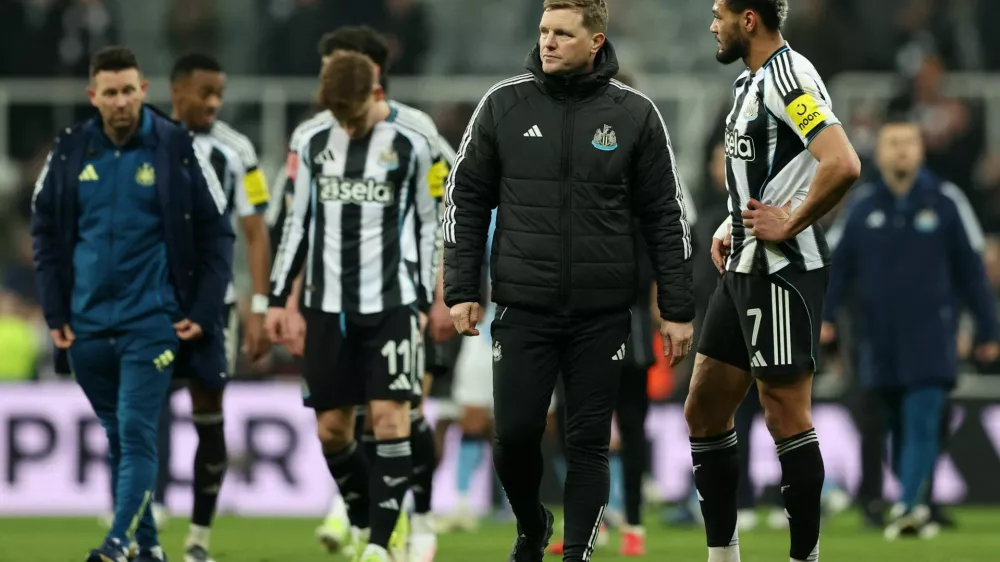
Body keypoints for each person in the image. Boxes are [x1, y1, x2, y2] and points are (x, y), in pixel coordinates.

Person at [443, 1, 695, 559]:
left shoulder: (635, 115)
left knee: (588, 444)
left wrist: (675, 307)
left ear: (596, 41)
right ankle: (533, 525)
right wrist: (461, 289)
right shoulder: (503, 105)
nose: (548, 42)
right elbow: (464, 200)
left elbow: (666, 216)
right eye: (543, 31)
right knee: (512, 439)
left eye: (562, 32)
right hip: (521, 309)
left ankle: (576, 552)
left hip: (602, 314)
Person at [31, 46, 233, 562]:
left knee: (138, 432)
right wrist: (56, 314)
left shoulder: (178, 147)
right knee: (119, 440)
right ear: (92, 96)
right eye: (110, 92)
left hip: (153, 320)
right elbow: (46, 234)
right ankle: (148, 547)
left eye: (129, 91)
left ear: (144, 91)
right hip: (88, 325)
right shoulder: (70, 150)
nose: (121, 102)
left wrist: (205, 312)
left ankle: (116, 542)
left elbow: (217, 236)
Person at [269, 26, 454, 561]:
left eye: (352, 114)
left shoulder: (413, 142)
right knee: (332, 431)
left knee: (393, 417)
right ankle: (364, 513)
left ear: (374, 92)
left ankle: (380, 544)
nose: (346, 126)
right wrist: (279, 300)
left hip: (393, 304)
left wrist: (428, 296)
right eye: (337, 115)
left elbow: (431, 221)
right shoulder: (310, 141)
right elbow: (296, 225)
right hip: (327, 308)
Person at [688, 1, 862, 561]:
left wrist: (790, 221)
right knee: (705, 408)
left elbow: (841, 162)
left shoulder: (789, 77)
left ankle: (804, 558)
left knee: (785, 413)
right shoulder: (749, 84)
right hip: (742, 268)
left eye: (719, 13)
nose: (712, 24)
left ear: (749, 19)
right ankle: (723, 556)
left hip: (782, 271)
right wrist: (729, 220)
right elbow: (774, 170)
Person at [821, 117, 1000, 539]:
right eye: (893, 143)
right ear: (879, 153)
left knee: (922, 420)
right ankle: (910, 499)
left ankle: (908, 505)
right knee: (895, 427)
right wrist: (824, 318)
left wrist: (989, 331)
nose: (901, 150)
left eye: (908, 143)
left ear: (921, 150)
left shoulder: (946, 201)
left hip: (932, 335)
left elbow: (972, 273)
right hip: (878, 338)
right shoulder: (861, 206)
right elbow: (837, 271)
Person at [165, 52, 272, 562]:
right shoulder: (148, 143)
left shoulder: (237, 149)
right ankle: (139, 525)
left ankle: (198, 539)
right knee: (142, 412)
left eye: (219, 94)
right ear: (176, 92)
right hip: (154, 304)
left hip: (216, 306)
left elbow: (255, 232)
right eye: (204, 92)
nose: (213, 102)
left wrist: (258, 304)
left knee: (210, 412)